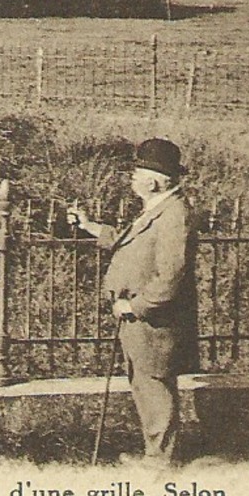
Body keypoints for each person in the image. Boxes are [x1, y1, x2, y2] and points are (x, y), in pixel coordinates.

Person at [67, 138, 201, 465]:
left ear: (154, 181)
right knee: (145, 386)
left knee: (155, 388)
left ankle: (160, 464)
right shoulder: (158, 208)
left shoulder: (174, 216)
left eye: (136, 172)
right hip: (141, 322)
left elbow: (171, 277)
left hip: (153, 321)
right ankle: (156, 455)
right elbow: (127, 241)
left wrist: (135, 305)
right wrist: (89, 226)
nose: (131, 178)